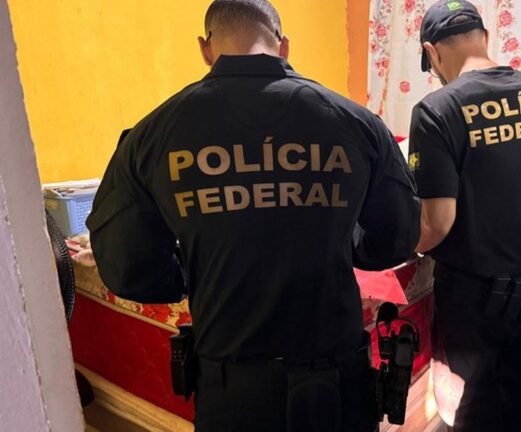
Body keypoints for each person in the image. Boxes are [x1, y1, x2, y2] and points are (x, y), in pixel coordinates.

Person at [86, 1, 419, 431]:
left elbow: (129, 269)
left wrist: (195, 267)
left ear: (206, 49)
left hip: (231, 388)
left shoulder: (153, 135)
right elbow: (396, 238)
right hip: (335, 386)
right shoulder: (355, 122)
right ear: (283, 45)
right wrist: (341, 240)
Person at [408, 1, 521, 431]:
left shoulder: (437, 110)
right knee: (519, 390)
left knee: (471, 403)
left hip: (472, 295)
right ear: (485, 37)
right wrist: (514, 209)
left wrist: (400, 246)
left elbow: (437, 223)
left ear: (432, 52)